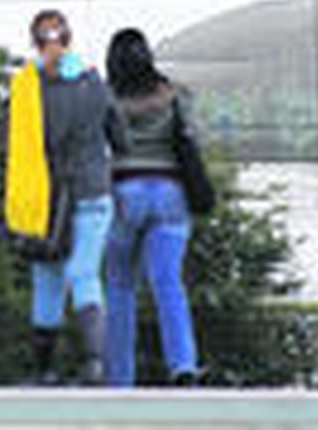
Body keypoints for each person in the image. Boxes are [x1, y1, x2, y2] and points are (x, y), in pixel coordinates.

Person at [8, 9, 128, 386]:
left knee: (48, 280)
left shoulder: (30, 88)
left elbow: (26, 149)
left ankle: (45, 373)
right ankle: (94, 368)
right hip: (93, 190)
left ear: (35, 43)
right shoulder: (95, 82)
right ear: (69, 40)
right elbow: (121, 140)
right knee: (84, 274)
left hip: (49, 199)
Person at [103, 27, 200, 387]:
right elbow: (190, 142)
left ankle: (120, 380)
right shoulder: (174, 94)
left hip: (124, 194)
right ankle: (183, 364)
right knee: (168, 282)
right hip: (171, 194)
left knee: (120, 287)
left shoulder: (106, 97)